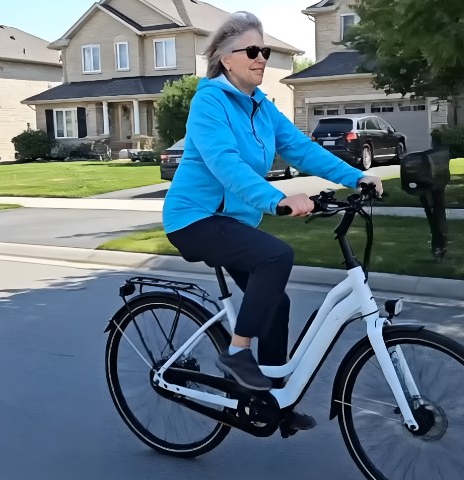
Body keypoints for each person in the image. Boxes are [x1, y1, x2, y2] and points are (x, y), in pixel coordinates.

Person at [161, 11, 383, 432]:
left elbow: (301, 148)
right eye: (251, 50)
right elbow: (225, 164)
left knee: (276, 304)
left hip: (232, 222)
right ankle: (238, 351)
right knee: (276, 256)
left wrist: (356, 177)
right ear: (226, 59)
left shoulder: (262, 107)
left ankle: (272, 401)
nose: (261, 57)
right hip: (195, 219)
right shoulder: (209, 102)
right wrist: (277, 200)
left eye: (263, 50)